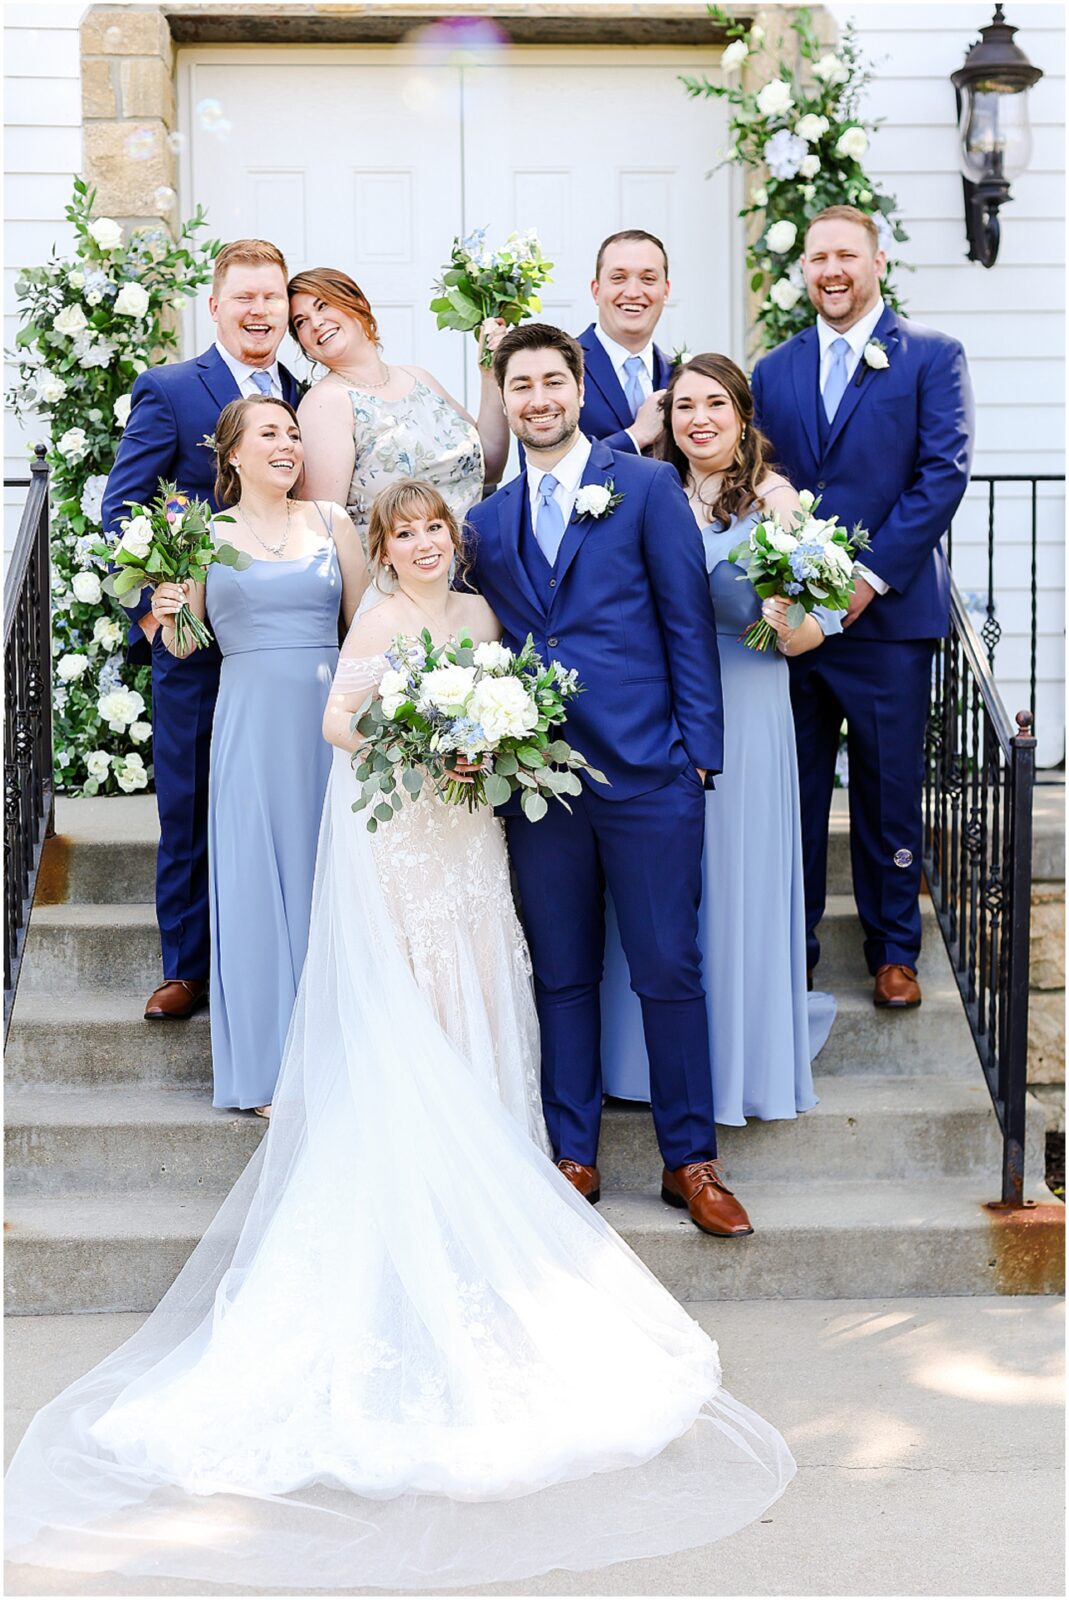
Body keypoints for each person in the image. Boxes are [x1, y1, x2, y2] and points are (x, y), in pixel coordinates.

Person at [4, 479, 794, 1593]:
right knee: (418, 1003)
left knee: (489, 979)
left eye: (434, 531)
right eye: (403, 534)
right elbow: (339, 721)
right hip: (406, 840)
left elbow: (517, 695)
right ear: (381, 546)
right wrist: (420, 739)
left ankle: (506, 1152)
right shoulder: (376, 618)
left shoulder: (478, 618)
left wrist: (486, 739)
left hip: (472, 843)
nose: (421, 545)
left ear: (453, 541)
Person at [467, 322, 752, 1239]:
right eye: (521, 386)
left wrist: (695, 752)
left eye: (553, 381)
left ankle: (690, 1161)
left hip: (647, 772)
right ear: (505, 400)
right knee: (562, 974)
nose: (538, 399)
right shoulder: (485, 522)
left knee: (669, 970)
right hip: (540, 783)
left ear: (578, 386)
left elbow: (685, 622)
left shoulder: (645, 485)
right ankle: (572, 1153)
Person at [601, 355, 837, 1124]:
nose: (697, 420)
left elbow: (810, 634)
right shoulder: (646, 487)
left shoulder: (776, 503)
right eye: (682, 408)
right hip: (663, 707)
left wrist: (786, 622)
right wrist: (633, 435)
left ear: (741, 413)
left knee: (733, 879)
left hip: (749, 702)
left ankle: (735, 1068)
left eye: (713, 405)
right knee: (662, 888)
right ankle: (644, 1067)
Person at [752, 206, 974, 1009]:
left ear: (876, 260)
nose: (831, 270)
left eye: (845, 254)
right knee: (796, 791)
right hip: (795, 629)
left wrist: (868, 578)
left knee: (888, 791)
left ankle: (893, 951)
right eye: (817, 258)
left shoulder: (931, 357)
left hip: (888, 621)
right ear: (803, 270)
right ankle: (793, 945)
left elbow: (940, 476)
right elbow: (758, 472)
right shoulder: (772, 370)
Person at [101, 238, 301, 1022]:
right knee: (188, 801)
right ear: (214, 305)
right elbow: (123, 509)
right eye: (244, 297)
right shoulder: (173, 389)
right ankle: (186, 966)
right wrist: (155, 617)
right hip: (198, 643)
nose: (259, 311)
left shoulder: (304, 395)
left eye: (272, 298)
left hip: (285, 637)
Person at [149, 396, 364, 1114]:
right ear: (232, 453)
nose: (288, 444)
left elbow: (366, 630)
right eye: (270, 432)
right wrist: (172, 609)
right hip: (247, 725)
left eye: (294, 433)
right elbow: (183, 647)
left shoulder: (332, 522)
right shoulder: (204, 536)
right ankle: (271, 1071)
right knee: (255, 887)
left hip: (328, 725)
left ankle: (340, 1058)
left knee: (328, 881)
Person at [288, 266, 508, 558]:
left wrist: (490, 376)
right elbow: (324, 530)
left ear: (359, 303)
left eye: (323, 305)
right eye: (301, 322)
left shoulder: (419, 378)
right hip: (402, 586)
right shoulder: (325, 404)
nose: (315, 323)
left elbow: (490, 468)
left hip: (476, 574)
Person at [576, 228, 675, 453]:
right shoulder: (559, 367)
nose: (632, 292)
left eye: (648, 279)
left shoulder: (680, 374)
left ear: (665, 291)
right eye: (618, 278)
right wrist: (635, 437)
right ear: (596, 290)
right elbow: (545, 468)